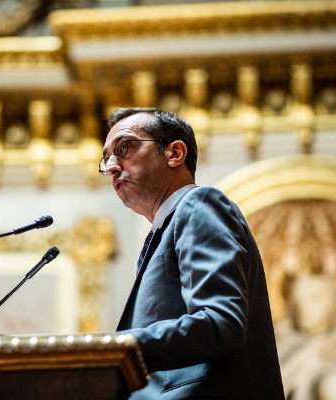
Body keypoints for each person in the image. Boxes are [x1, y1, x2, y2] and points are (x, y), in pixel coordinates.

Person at [101, 108, 284, 400]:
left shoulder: (198, 204)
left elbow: (220, 323)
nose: (111, 166)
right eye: (106, 157)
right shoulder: (160, 234)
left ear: (174, 153)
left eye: (124, 147)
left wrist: (113, 348)